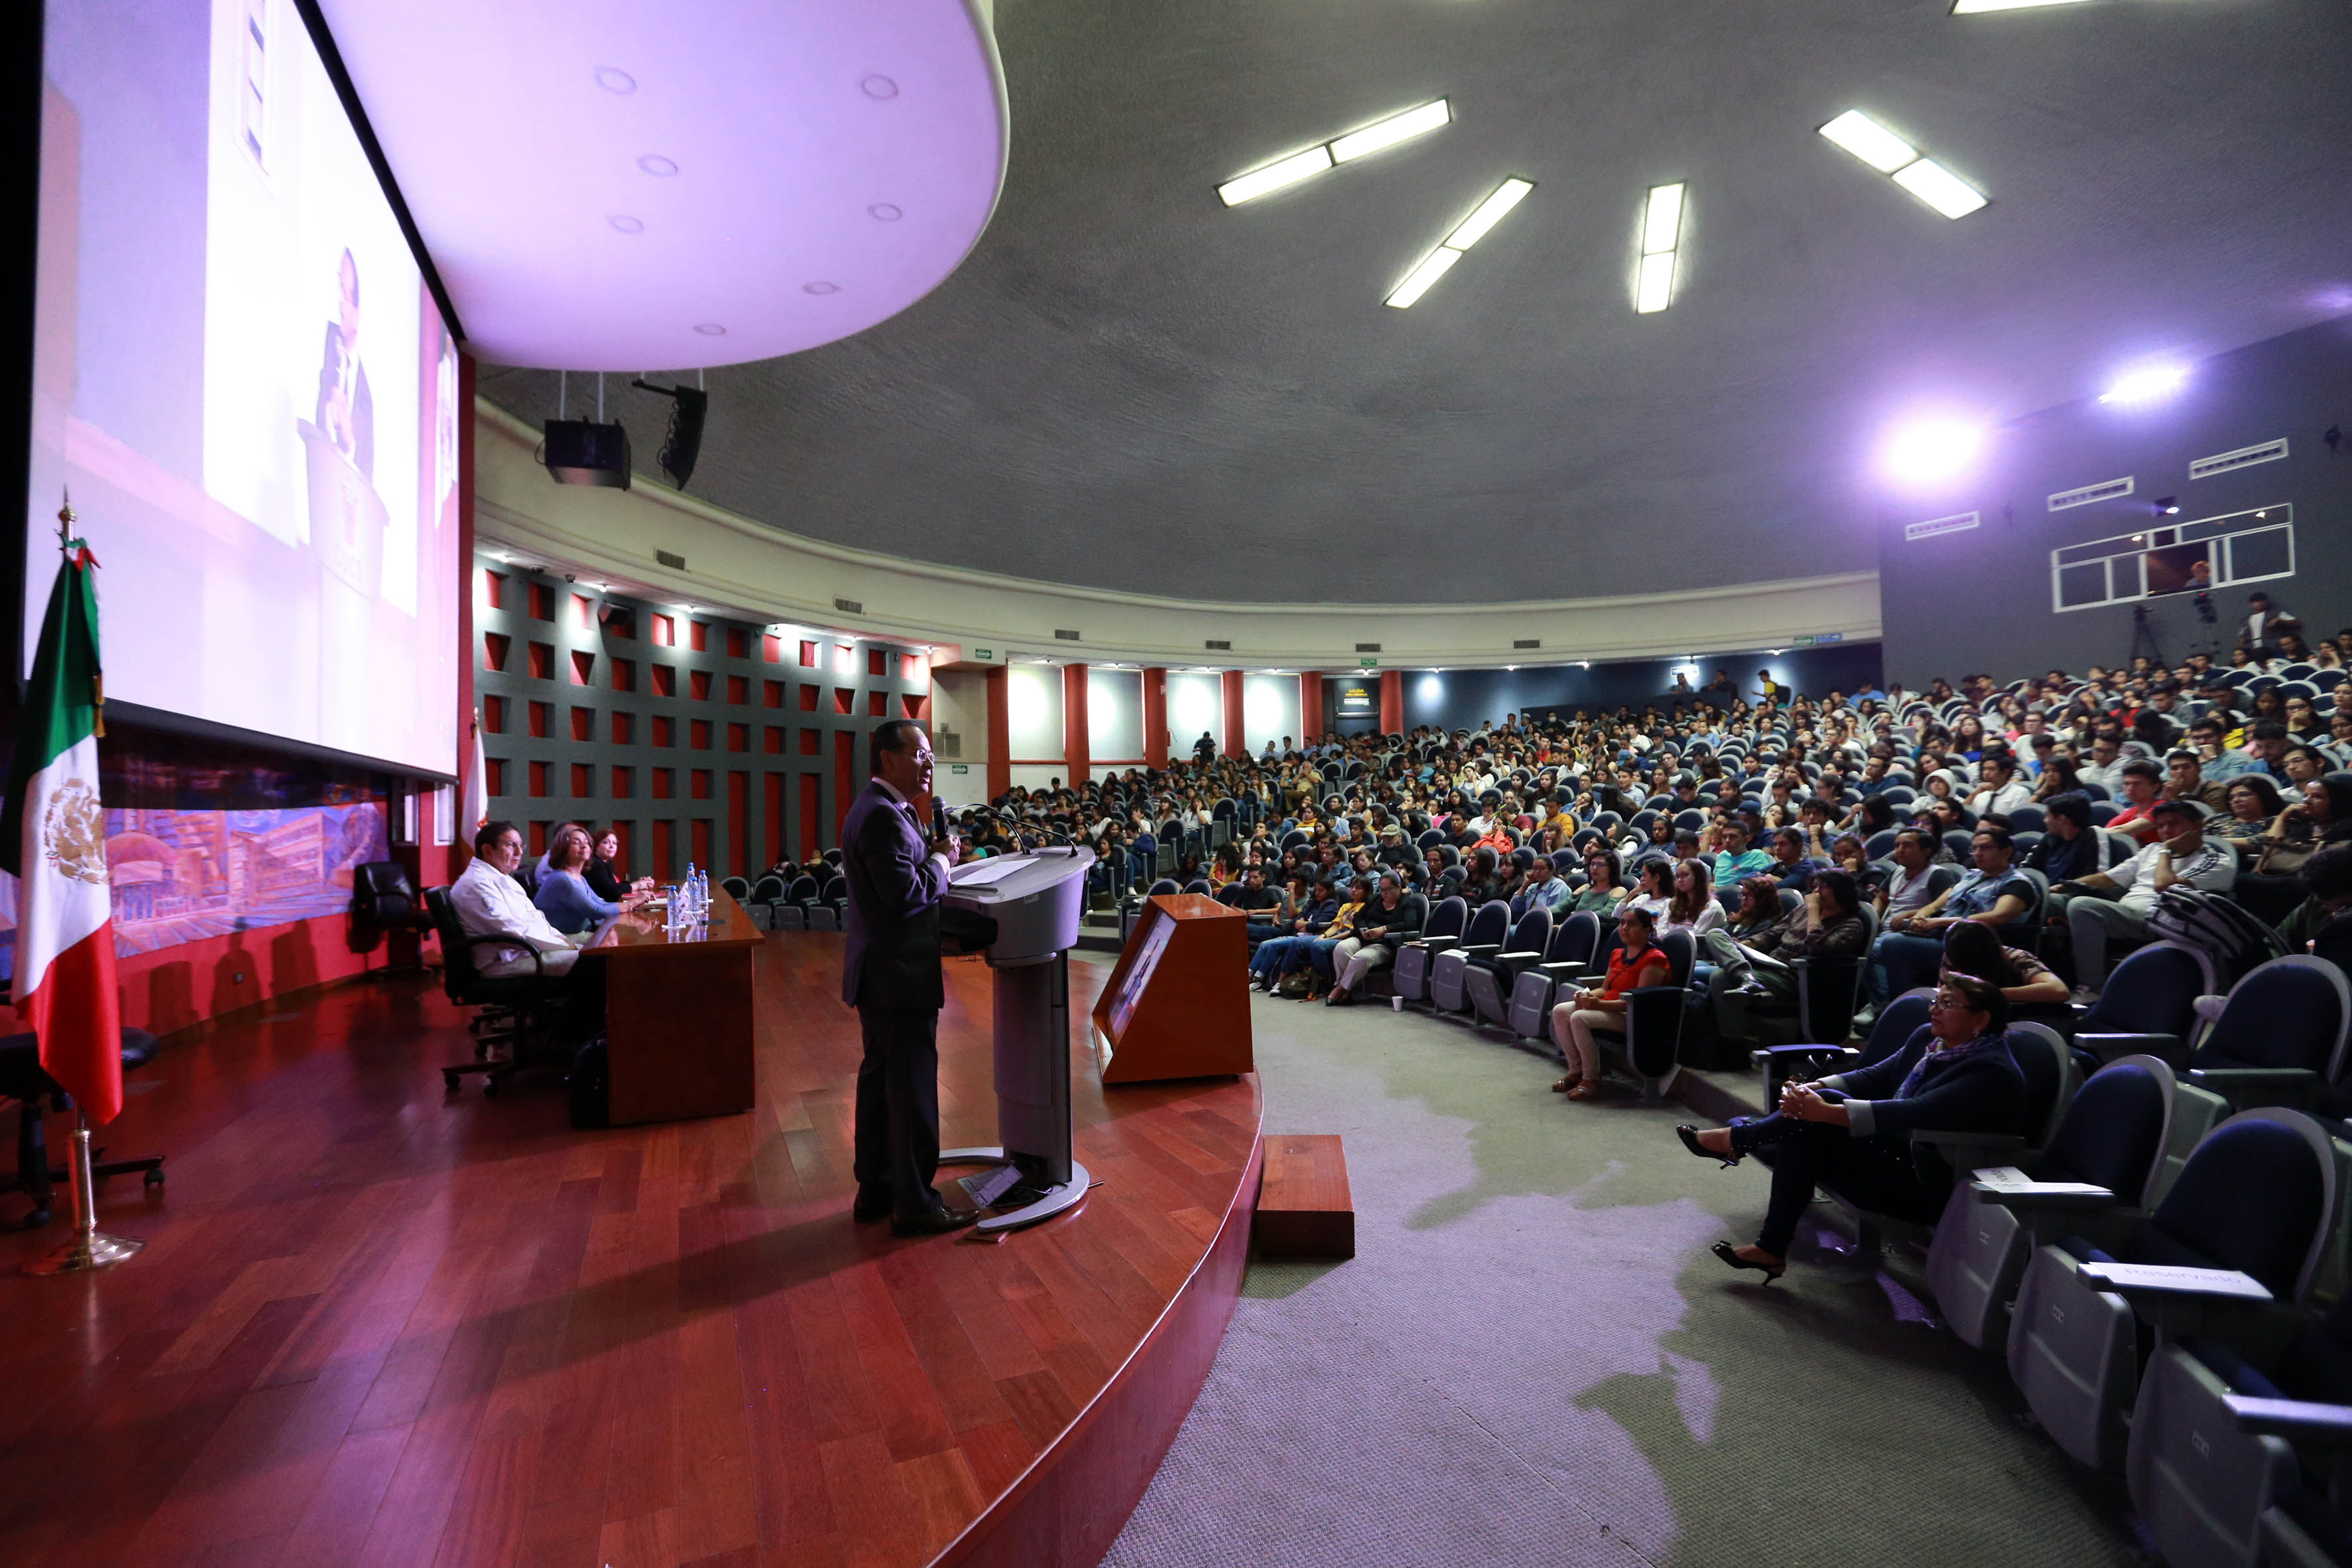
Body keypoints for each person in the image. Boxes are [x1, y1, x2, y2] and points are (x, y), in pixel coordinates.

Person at [1677, 972, 2024, 1282]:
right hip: (1892, 1152)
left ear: (1981, 1019)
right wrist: (1814, 1091)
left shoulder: (1991, 1070)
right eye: (1936, 1000)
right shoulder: (1929, 1041)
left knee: (1811, 1124)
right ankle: (1769, 1243)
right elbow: (1875, 1076)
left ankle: (1739, 1149)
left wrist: (1824, 1111)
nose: (1934, 1009)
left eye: (1948, 1003)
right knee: (1810, 1124)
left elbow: (1913, 1111)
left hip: (1928, 1179)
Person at [839, 719, 971, 1237]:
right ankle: (915, 1204)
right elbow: (904, 894)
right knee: (911, 1091)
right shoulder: (881, 816)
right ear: (887, 757)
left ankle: (876, 1189)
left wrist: (935, 859)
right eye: (919, 753)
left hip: (883, 975)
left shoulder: (883, 809)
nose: (929, 762)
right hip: (897, 976)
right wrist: (940, 860)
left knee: (881, 1087)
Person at [449, 820, 607, 1051]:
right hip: (507, 959)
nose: (519, 852)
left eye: (521, 845)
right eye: (511, 846)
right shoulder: (476, 884)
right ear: (487, 849)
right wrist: (567, 946)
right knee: (597, 963)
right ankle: (570, 1040)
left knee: (596, 955)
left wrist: (564, 941)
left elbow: (536, 920)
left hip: (525, 951)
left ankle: (576, 1033)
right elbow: (509, 930)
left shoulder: (501, 877)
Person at [2059, 797, 2235, 998]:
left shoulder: (2216, 861)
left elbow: (2164, 886)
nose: (2166, 831)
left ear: (2197, 826)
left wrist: (2166, 851)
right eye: (2161, 826)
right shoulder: (2152, 850)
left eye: (2174, 824)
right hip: (2126, 913)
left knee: (2082, 906)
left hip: (2165, 919)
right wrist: (2059, 888)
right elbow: (2106, 879)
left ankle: (2091, 989)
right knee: (2055, 903)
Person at [1866, 826, 2034, 1007]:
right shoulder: (1972, 876)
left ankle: (1901, 1006)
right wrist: (1919, 916)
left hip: (1973, 948)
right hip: (1943, 936)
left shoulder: (2017, 883)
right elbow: (1938, 904)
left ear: (2007, 852)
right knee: (1872, 947)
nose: (1977, 854)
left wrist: (1937, 922)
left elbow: (1999, 916)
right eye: (1974, 848)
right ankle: (1883, 1006)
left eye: (1985, 848)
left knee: (1894, 943)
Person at [1549, 905, 1671, 1100]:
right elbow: (1605, 989)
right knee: (1561, 1010)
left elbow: (1638, 1002)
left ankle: (1591, 1079)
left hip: (1633, 1017)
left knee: (1580, 1018)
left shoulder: (1654, 959)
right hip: (1608, 1008)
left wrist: (1597, 1005)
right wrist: (1586, 997)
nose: (1624, 928)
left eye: (1632, 925)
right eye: (1622, 923)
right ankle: (1576, 1071)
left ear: (1647, 930)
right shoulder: (1617, 954)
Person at [315, 248, 374, 478]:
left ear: (358, 313)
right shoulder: (327, 349)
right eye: (339, 286)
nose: (340, 301)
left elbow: (367, 475)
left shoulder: (366, 396)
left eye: (347, 294)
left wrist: (350, 445)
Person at [1327, 874, 1425, 1004]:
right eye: (1382, 889)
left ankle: (1339, 989)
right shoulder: (1374, 899)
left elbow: (1410, 924)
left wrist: (1384, 929)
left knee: (1362, 958)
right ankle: (1347, 990)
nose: (1384, 893)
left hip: (1385, 944)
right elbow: (1358, 918)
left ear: (1398, 887)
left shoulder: (1408, 903)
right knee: (1341, 948)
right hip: (1363, 938)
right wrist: (1363, 930)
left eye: (1388, 890)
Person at [534, 826, 649, 933]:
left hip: (581, 932)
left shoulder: (579, 877)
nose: (584, 846)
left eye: (586, 842)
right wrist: (633, 903)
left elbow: (600, 903)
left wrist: (633, 904)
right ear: (562, 849)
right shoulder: (562, 879)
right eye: (576, 842)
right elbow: (596, 911)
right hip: (562, 939)